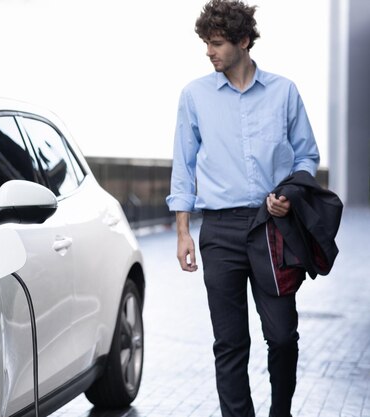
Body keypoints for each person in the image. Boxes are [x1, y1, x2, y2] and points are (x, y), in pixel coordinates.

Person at [165, 1, 320, 417]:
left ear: (244, 41)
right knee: (230, 342)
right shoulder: (194, 96)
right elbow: (184, 165)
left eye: (216, 43)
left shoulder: (284, 91)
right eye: (206, 43)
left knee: (283, 336)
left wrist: (289, 193)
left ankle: (280, 412)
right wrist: (183, 232)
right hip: (219, 231)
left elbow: (307, 157)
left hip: (273, 229)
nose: (209, 51)